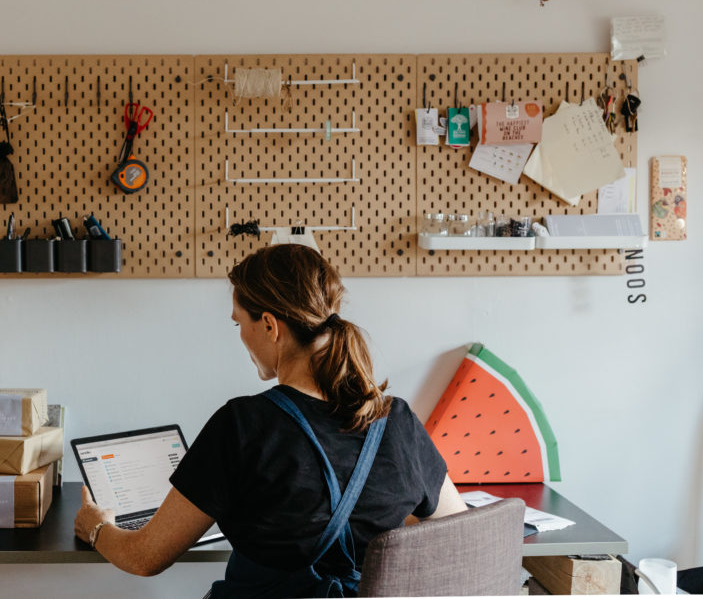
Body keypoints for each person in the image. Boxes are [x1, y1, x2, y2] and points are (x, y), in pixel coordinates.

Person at [75, 244, 467, 597]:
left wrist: (96, 526)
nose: (240, 334)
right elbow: (458, 531)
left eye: (238, 322)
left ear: (269, 325)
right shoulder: (395, 420)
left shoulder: (243, 425)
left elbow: (145, 558)